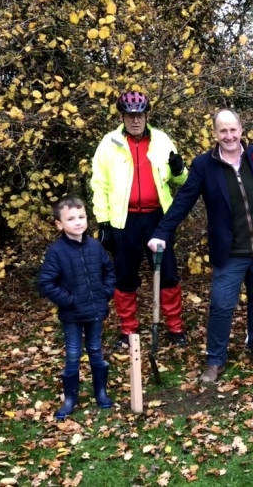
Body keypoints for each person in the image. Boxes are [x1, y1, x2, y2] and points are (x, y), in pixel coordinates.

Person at [147, 109, 253, 383]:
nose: (229, 135)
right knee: (220, 305)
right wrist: (162, 231)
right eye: (223, 131)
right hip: (231, 253)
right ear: (215, 134)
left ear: (242, 129)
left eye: (233, 130)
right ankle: (215, 360)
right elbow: (183, 201)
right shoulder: (204, 165)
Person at [90, 90, 189, 349]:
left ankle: (175, 326)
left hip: (158, 218)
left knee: (168, 274)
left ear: (147, 116)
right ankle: (128, 329)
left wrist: (179, 170)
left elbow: (180, 180)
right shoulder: (109, 143)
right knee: (125, 276)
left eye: (140, 115)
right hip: (124, 221)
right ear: (122, 116)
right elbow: (99, 184)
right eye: (130, 116)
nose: (135, 120)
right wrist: (103, 223)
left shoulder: (162, 140)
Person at [38, 196, 116, 420]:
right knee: (73, 354)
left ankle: (100, 392)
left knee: (95, 350)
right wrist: (70, 300)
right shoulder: (57, 251)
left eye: (81, 217)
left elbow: (109, 271)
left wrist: (105, 293)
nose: (78, 222)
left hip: (95, 311)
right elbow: (46, 283)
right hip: (72, 314)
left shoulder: (95, 246)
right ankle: (70, 398)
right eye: (71, 219)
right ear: (60, 224)